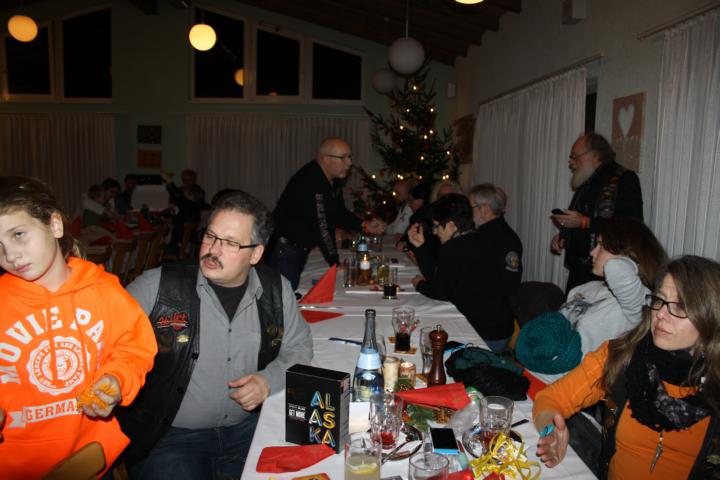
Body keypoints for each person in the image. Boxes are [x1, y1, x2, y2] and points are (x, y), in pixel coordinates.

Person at [119, 190, 313, 479]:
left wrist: (267, 381)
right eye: (210, 236)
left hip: (249, 430)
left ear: (256, 253)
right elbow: (105, 335)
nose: (213, 250)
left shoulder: (276, 289)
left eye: (230, 243)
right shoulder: (159, 286)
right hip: (171, 439)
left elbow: (299, 349)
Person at [0, 176, 157, 478]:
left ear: (55, 225)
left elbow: (134, 349)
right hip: (16, 463)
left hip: (91, 455)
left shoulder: (105, 291)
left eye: (18, 234)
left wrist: (117, 379)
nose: (10, 255)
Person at [533, 255, 720, 479]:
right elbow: (551, 399)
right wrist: (550, 432)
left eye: (680, 306)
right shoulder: (621, 357)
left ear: (710, 317)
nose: (660, 314)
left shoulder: (714, 391)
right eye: (659, 300)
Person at [518, 217, 668, 379]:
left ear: (627, 254)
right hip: (533, 369)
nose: (592, 252)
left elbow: (616, 268)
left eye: (601, 246)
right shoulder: (584, 288)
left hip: (565, 387)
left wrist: (628, 256)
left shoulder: (638, 303)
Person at [409, 193, 522, 353]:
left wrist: (419, 284)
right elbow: (438, 279)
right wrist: (420, 248)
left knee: (425, 339)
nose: (434, 232)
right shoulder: (481, 238)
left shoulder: (454, 248)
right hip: (502, 330)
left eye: (436, 226)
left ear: (451, 225)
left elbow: (440, 292)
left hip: (483, 336)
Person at [268, 137, 385, 289]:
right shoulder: (311, 181)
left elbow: (338, 212)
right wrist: (334, 262)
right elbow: (322, 225)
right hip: (285, 248)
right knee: (284, 294)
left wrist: (364, 225)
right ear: (325, 159)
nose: (349, 162)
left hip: (296, 246)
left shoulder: (333, 180)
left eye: (349, 157)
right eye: (343, 158)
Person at [551, 132, 643, 293]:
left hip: (606, 274)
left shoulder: (625, 178)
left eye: (574, 156)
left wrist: (584, 222)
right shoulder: (585, 181)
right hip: (579, 271)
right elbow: (578, 222)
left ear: (594, 155)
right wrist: (564, 236)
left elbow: (631, 225)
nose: (571, 161)